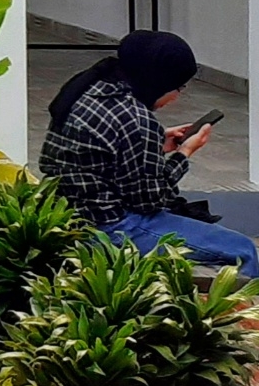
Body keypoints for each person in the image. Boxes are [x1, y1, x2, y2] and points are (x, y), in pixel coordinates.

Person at [39, 29, 256, 275]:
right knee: (243, 249)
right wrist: (184, 153)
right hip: (108, 227)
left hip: (65, 216)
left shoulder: (85, 90)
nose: (176, 96)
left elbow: (94, 154)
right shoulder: (135, 119)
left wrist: (156, 144)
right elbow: (150, 201)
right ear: (159, 81)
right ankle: (237, 310)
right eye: (179, 87)